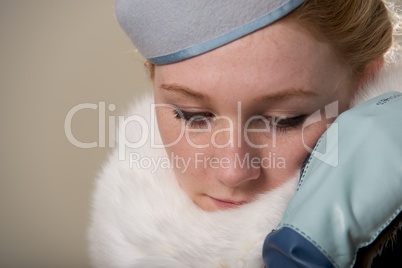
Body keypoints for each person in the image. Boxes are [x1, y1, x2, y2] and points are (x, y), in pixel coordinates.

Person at [89, 0, 402, 267]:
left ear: (366, 87)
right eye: (192, 115)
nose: (233, 171)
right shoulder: (125, 234)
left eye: (284, 120)